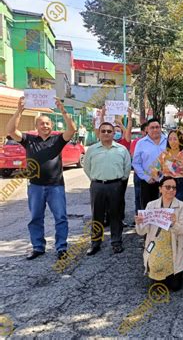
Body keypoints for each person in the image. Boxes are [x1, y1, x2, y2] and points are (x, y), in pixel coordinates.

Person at [6, 97, 76, 260]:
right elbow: (10, 130)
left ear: (51, 126)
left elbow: (72, 130)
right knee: (35, 218)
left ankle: (61, 247)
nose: (45, 125)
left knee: (61, 217)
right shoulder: (28, 140)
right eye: (41, 123)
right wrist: (19, 111)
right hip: (35, 186)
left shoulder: (57, 140)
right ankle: (38, 247)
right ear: (36, 127)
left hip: (56, 186)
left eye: (47, 123)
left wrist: (63, 111)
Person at [83, 122, 131, 255]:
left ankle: (116, 242)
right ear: (99, 133)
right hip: (97, 185)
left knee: (115, 215)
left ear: (113, 133)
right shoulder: (92, 149)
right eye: (103, 131)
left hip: (116, 185)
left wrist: (119, 182)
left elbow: (127, 168)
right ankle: (95, 243)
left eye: (109, 131)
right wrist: (96, 179)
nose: (106, 133)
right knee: (97, 215)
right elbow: (86, 167)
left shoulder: (122, 149)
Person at [135, 177, 183, 291]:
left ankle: (175, 274)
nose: (171, 190)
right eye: (167, 187)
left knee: (175, 287)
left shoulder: (182, 206)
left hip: (173, 245)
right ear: (160, 189)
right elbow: (142, 232)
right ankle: (155, 271)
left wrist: (174, 223)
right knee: (157, 289)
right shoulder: (151, 205)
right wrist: (139, 223)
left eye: (173, 188)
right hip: (156, 244)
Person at [133, 118, 168, 209]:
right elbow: (136, 163)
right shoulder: (141, 143)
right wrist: (146, 177)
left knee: (166, 207)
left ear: (160, 128)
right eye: (152, 127)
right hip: (148, 181)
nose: (155, 129)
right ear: (147, 129)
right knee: (149, 208)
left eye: (157, 127)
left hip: (167, 180)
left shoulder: (168, 141)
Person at [156, 130, 183, 203]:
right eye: (170, 139)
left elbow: (182, 167)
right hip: (166, 184)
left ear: (180, 140)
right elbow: (157, 168)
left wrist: (171, 159)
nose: (172, 141)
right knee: (166, 210)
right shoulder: (164, 153)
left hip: (180, 184)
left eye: (175, 139)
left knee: (180, 209)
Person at [130, 122, 148, 216]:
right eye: (146, 131)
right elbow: (134, 157)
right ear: (142, 132)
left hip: (153, 175)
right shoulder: (137, 142)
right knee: (139, 196)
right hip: (139, 174)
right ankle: (139, 217)